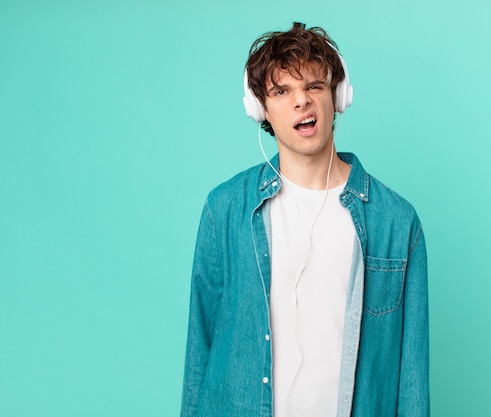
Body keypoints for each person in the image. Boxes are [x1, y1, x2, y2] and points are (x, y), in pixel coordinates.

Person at [181, 22, 429, 417]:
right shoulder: (225, 210)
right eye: (282, 91)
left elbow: (411, 376)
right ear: (260, 108)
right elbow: (201, 350)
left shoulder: (396, 223)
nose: (302, 101)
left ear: (338, 97)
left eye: (314, 86)